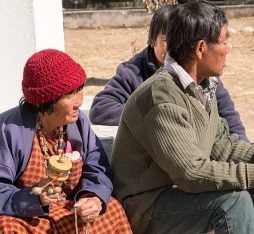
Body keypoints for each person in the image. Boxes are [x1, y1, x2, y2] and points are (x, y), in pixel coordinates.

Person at [111, 2, 254, 234]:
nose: (228, 49)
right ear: (200, 49)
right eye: (225, 41)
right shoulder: (161, 96)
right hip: (146, 206)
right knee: (234, 203)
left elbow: (222, 145)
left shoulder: (203, 87)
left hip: (177, 193)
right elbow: (191, 174)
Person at [0, 49, 132, 233]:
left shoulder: (77, 121)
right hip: (28, 215)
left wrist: (93, 196)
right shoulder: (9, 130)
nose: (79, 101)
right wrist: (33, 197)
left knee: (112, 209)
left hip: (68, 209)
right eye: (69, 95)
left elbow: (97, 166)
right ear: (44, 101)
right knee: (6, 227)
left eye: (79, 90)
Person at [89, 4, 248, 141]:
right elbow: (101, 109)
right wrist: (159, 117)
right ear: (152, 40)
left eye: (179, 40)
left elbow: (230, 120)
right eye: (167, 40)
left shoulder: (203, 74)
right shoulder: (133, 72)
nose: (174, 47)